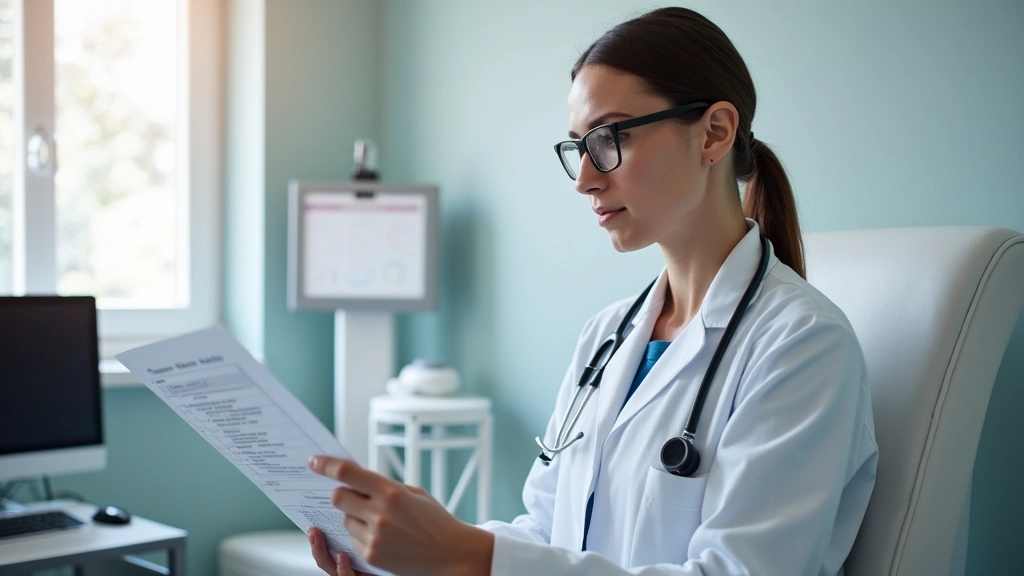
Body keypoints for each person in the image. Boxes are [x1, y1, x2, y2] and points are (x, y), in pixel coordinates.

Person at [306, 7, 877, 576]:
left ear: (714, 133)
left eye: (608, 138)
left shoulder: (802, 345)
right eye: (578, 146)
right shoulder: (606, 336)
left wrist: (467, 555)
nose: (584, 179)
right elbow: (546, 531)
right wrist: (424, 558)